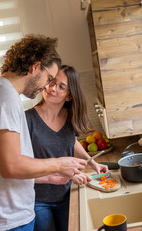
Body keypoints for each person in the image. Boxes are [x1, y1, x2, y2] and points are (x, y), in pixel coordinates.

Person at [0, 35, 87, 231]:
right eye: (49, 78)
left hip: (7, 219)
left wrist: (48, 177)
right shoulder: (2, 96)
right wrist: (60, 164)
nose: (47, 86)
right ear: (35, 67)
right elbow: (11, 165)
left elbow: (4, 165)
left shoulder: (0, 93)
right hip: (2, 222)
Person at [25, 65, 109, 231]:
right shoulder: (27, 120)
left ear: (69, 96)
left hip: (68, 194)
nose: (51, 88)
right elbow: (23, 164)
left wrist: (93, 163)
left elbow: (71, 141)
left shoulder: (69, 117)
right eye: (51, 82)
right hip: (38, 200)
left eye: (61, 87)